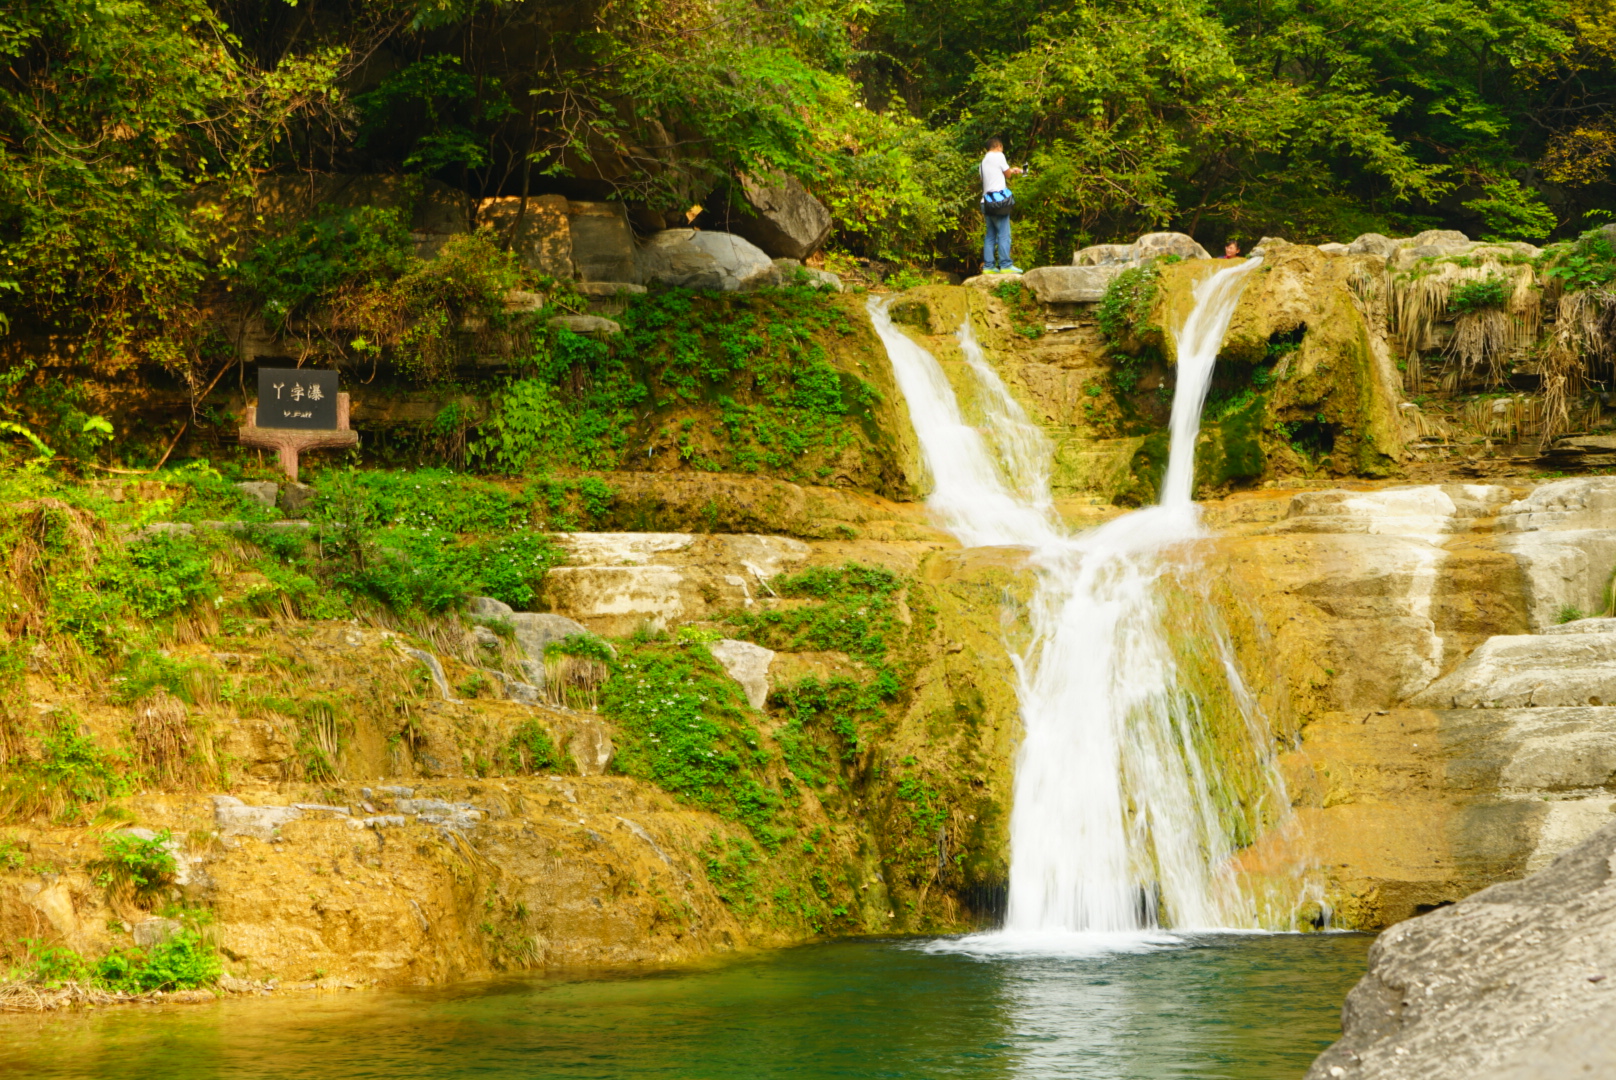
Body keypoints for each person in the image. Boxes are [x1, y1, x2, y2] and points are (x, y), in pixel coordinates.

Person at [980, 137, 1024, 275]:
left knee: (990, 235)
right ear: (998, 146)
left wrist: (1009, 170)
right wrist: (1014, 171)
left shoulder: (983, 162)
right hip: (998, 202)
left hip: (985, 202)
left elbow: (987, 178)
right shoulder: (999, 155)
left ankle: (988, 267)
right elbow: (1008, 175)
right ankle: (1005, 265)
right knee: (1004, 235)